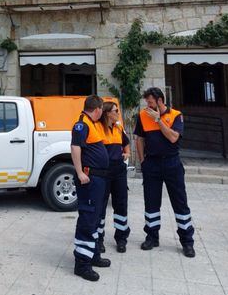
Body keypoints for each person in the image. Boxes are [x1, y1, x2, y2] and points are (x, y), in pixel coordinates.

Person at [134, 87, 195, 258]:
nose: (148, 105)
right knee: (151, 203)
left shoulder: (176, 115)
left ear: (160, 100)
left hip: (172, 163)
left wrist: (159, 120)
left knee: (180, 202)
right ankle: (152, 237)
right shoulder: (143, 115)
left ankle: (187, 242)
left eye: (151, 102)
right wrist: (142, 162)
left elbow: (173, 137)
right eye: (147, 102)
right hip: (151, 164)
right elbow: (139, 139)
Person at [71, 95, 111, 281]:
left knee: (95, 219)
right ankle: (82, 264)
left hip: (99, 180)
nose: (102, 113)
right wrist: (79, 172)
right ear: (97, 109)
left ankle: (93, 255)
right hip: (89, 179)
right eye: (101, 110)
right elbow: (75, 148)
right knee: (88, 218)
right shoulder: (82, 125)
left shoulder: (92, 123)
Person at [97, 102, 131, 253]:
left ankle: (121, 238)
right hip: (103, 171)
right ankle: (99, 239)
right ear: (107, 113)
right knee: (100, 205)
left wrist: (127, 153)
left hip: (119, 171)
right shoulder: (98, 128)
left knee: (121, 204)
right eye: (115, 110)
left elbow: (126, 143)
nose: (118, 112)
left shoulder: (118, 127)